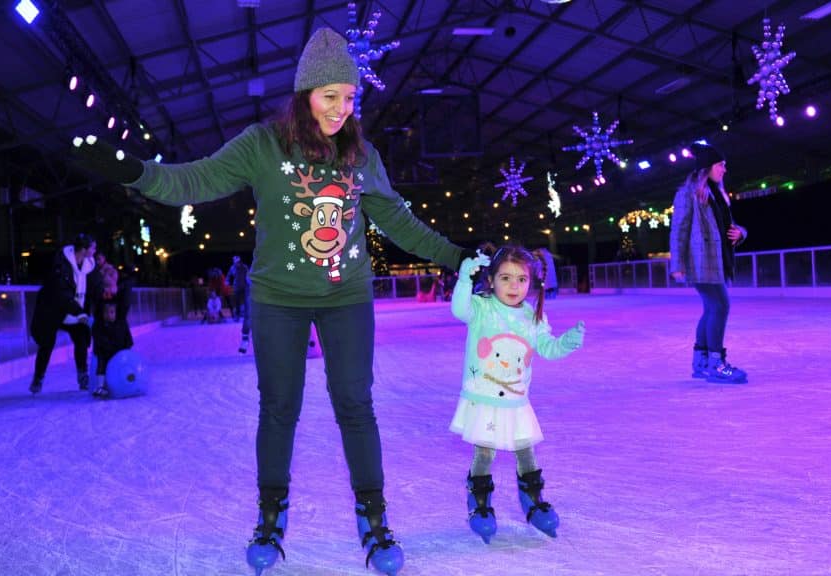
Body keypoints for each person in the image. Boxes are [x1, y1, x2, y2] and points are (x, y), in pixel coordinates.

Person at [71, 27, 479, 575]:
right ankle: (270, 511)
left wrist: (457, 256)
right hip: (277, 299)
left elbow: (396, 219)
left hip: (346, 296)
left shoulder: (361, 153)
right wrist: (136, 173)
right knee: (279, 407)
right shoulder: (263, 144)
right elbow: (196, 180)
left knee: (355, 404)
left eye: (350, 97)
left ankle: (374, 516)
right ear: (304, 94)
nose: (341, 109)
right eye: (329, 96)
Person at [450, 244, 584, 543]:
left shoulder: (531, 317)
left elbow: (547, 348)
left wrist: (567, 342)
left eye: (521, 279)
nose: (514, 286)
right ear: (491, 280)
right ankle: (480, 502)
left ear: (531, 282)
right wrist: (463, 279)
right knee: (484, 452)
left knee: (526, 451)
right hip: (483, 397)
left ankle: (533, 500)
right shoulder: (482, 308)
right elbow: (459, 310)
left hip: (516, 401)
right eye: (505, 278)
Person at [669, 142, 748, 383]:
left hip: (717, 259)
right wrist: (678, 263)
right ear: (707, 167)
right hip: (700, 260)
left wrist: (741, 233)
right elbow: (679, 229)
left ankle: (701, 361)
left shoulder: (717, 194)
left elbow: (729, 227)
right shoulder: (688, 193)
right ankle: (715, 363)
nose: (725, 169)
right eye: (721, 165)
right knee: (720, 306)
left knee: (712, 308)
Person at [29, 233, 96, 394]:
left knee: (80, 337)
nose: (95, 251)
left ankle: (83, 375)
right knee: (47, 344)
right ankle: (38, 378)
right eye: (93, 247)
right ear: (84, 249)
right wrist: (81, 313)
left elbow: (97, 285)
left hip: (74, 309)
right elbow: (62, 295)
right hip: (53, 310)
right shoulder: (61, 265)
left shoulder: (88, 265)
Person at [89, 266, 134, 398]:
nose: (109, 289)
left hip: (119, 337)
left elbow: (126, 295)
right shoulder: (99, 300)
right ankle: (100, 386)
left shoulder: (120, 299)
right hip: (104, 338)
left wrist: (120, 288)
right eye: (106, 285)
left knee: (123, 360)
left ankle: (127, 380)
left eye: (111, 284)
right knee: (102, 361)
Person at [227, 255, 250, 322]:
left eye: (237, 262)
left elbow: (248, 275)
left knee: (246, 302)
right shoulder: (232, 268)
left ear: (239, 262)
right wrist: (227, 281)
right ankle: (237, 316)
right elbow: (228, 275)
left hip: (245, 286)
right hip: (236, 287)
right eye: (234, 262)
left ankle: (247, 316)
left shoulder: (245, 267)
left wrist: (249, 282)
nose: (235, 264)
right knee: (237, 302)